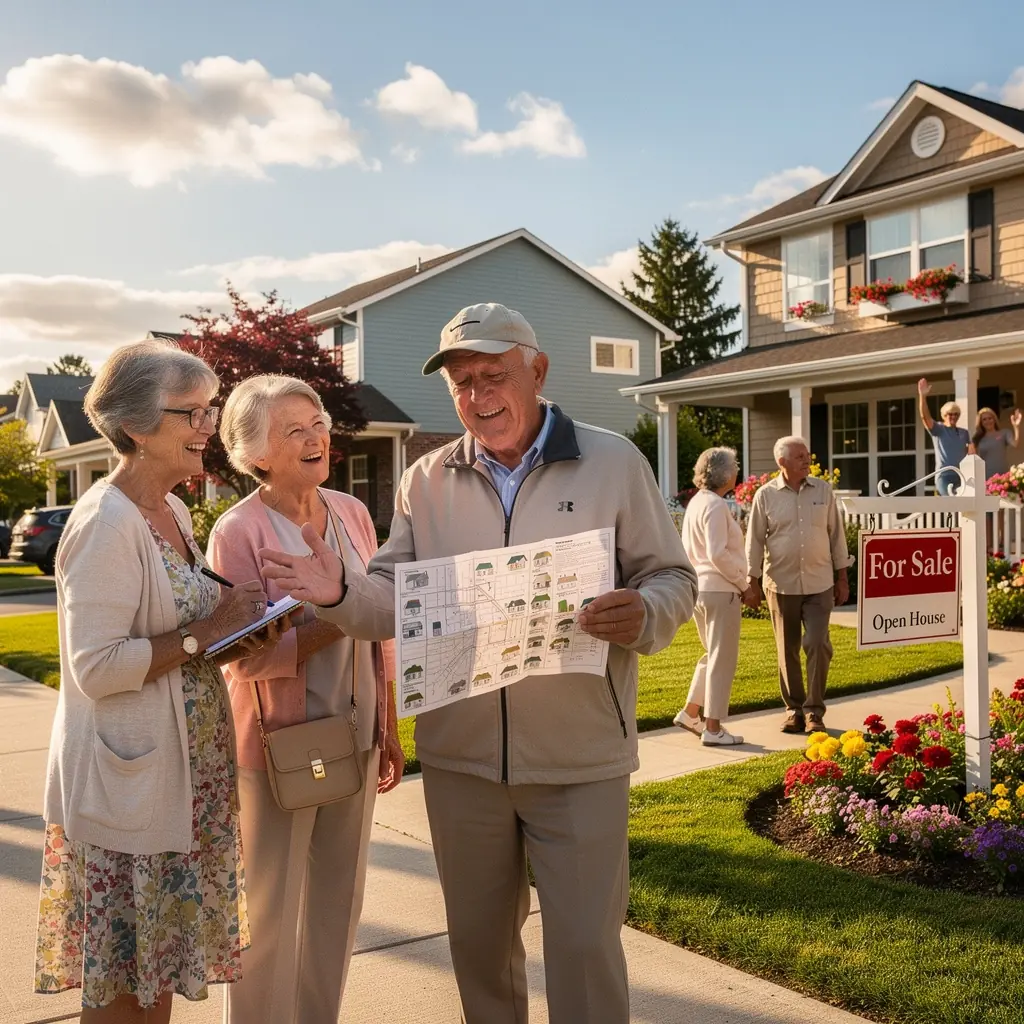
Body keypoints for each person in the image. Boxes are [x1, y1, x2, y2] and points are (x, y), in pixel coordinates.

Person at [260, 302, 697, 1024]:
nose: (478, 396)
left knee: (586, 950)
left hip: (579, 757)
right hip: (461, 761)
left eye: (493, 375)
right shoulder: (425, 479)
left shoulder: (613, 460)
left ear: (537, 371)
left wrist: (644, 612)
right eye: (461, 383)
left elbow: (671, 577)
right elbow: (393, 599)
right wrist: (338, 590)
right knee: (479, 950)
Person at [35, 340, 276, 1022]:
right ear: (138, 427)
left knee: (156, 983)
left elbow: (184, 637)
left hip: (182, 785)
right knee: (122, 994)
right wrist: (208, 630)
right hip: (128, 798)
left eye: (212, 409)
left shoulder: (168, 512)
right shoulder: (105, 523)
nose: (210, 427)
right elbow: (97, 667)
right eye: (192, 413)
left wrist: (245, 626)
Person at [208, 375, 404, 1024]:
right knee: (268, 915)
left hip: (356, 733)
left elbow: (379, 626)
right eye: (294, 429)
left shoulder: (349, 512)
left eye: (318, 421)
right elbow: (242, 654)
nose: (317, 435)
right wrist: (334, 615)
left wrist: (391, 724)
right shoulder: (238, 533)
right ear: (256, 454)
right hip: (277, 749)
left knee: (337, 905)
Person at [745, 436, 851, 735]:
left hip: (819, 583)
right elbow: (753, 541)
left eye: (807, 454)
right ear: (782, 463)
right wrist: (750, 583)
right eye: (800, 456)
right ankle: (794, 710)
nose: (807, 460)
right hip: (780, 584)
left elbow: (836, 537)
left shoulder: (823, 491)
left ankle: (815, 711)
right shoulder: (765, 496)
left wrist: (842, 578)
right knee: (787, 649)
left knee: (818, 644)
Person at [673, 446, 749, 746]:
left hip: (701, 590)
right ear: (724, 473)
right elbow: (718, 553)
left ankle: (692, 712)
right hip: (720, 589)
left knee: (712, 654)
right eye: (735, 465)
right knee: (722, 659)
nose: (737, 470)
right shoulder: (716, 506)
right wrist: (744, 584)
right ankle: (714, 728)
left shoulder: (695, 503)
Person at [918, 378, 973, 495]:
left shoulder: (964, 433)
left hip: (961, 475)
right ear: (944, 415)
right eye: (949, 414)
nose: (953, 416)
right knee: (950, 504)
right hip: (944, 476)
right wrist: (922, 397)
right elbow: (925, 417)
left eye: (956, 414)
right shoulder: (939, 429)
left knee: (962, 506)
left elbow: (972, 454)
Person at [972, 405, 1021, 480]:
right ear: (981, 422)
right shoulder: (977, 438)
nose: (988, 421)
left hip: (1003, 475)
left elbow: (1015, 444)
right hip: (985, 476)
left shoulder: (1004, 433)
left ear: (994, 419)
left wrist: (1016, 427)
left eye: (990, 418)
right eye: (984, 419)